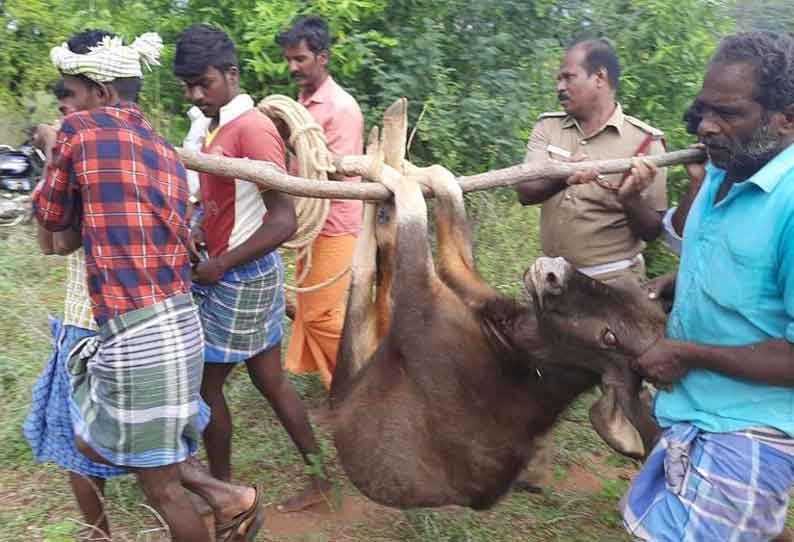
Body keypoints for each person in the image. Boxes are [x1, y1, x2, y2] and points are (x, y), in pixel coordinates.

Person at [33, 30, 263, 542]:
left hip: (137, 335)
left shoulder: (80, 133)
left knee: (161, 489)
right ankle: (229, 497)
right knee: (108, 447)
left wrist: (52, 149)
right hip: (179, 324)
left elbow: (50, 225)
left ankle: (231, 500)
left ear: (103, 93)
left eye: (71, 92)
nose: (66, 108)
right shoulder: (163, 149)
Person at [621, 31, 794, 541]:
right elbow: (734, 259)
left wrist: (689, 354)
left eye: (729, 114)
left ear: (786, 116)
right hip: (693, 413)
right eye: (703, 112)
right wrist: (685, 281)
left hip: (749, 429)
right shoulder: (727, 172)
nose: (707, 127)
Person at [173, 23, 332, 513]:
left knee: (207, 385)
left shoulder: (252, 128)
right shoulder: (219, 124)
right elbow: (229, 201)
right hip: (242, 273)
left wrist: (219, 263)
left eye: (206, 83)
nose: (198, 95)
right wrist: (202, 225)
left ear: (231, 74)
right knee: (270, 381)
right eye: (190, 87)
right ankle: (320, 478)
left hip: (241, 278)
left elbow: (282, 220)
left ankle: (223, 492)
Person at [515, 38, 669, 492]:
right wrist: (560, 176)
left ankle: (663, 476)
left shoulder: (644, 142)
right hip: (554, 284)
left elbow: (653, 229)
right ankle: (533, 465)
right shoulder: (549, 129)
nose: (559, 85)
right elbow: (524, 191)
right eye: (559, 77)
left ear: (600, 78)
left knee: (626, 390)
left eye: (569, 77)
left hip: (614, 290)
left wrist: (631, 198)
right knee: (534, 365)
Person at [276, 15, 365, 389]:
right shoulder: (301, 104)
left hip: (335, 224)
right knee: (317, 309)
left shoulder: (340, 107)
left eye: (301, 59)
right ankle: (340, 386)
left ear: (323, 57)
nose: (293, 67)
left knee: (320, 316)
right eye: (290, 60)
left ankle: (364, 384)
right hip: (309, 223)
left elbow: (340, 174)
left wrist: (296, 142)